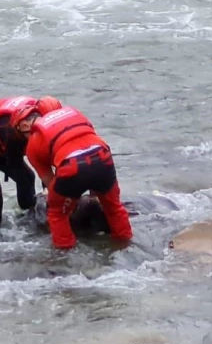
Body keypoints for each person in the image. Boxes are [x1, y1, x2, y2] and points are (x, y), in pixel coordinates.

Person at [20, 103, 133, 250]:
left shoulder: (34, 142)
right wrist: (94, 195)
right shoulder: (75, 115)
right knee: (114, 207)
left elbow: (49, 180)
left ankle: (65, 255)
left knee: (56, 214)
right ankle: (125, 246)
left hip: (71, 166)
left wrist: (67, 201)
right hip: (102, 157)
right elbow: (92, 138)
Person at [0, 96, 62, 228]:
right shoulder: (16, 127)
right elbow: (36, 161)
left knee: (27, 178)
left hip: (0, 142)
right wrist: (47, 189)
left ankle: (28, 218)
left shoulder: (35, 115)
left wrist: (48, 189)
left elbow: (48, 157)